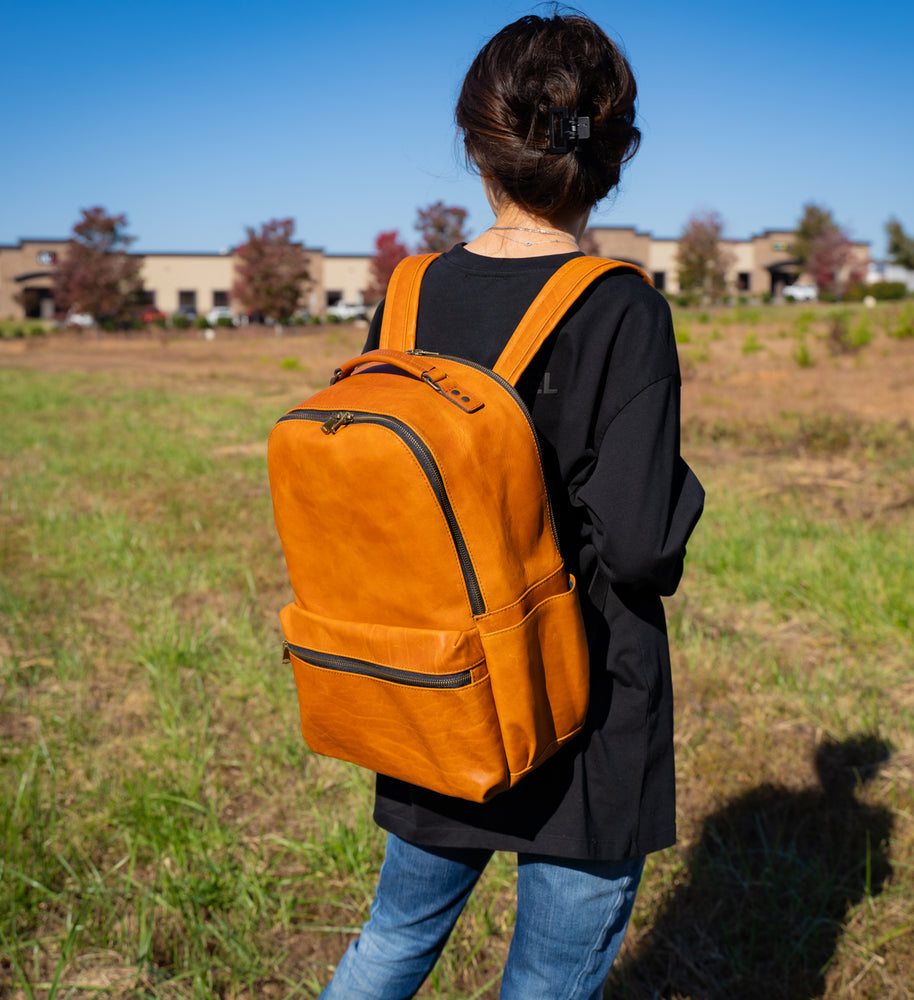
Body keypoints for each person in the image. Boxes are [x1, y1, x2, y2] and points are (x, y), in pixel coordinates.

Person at [318, 12, 704, 1000]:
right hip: (583, 713)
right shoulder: (619, 304)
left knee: (390, 946)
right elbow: (640, 546)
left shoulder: (409, 294)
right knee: (544, 984)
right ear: (613, 153)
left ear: (475, 143)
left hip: (436, 692)